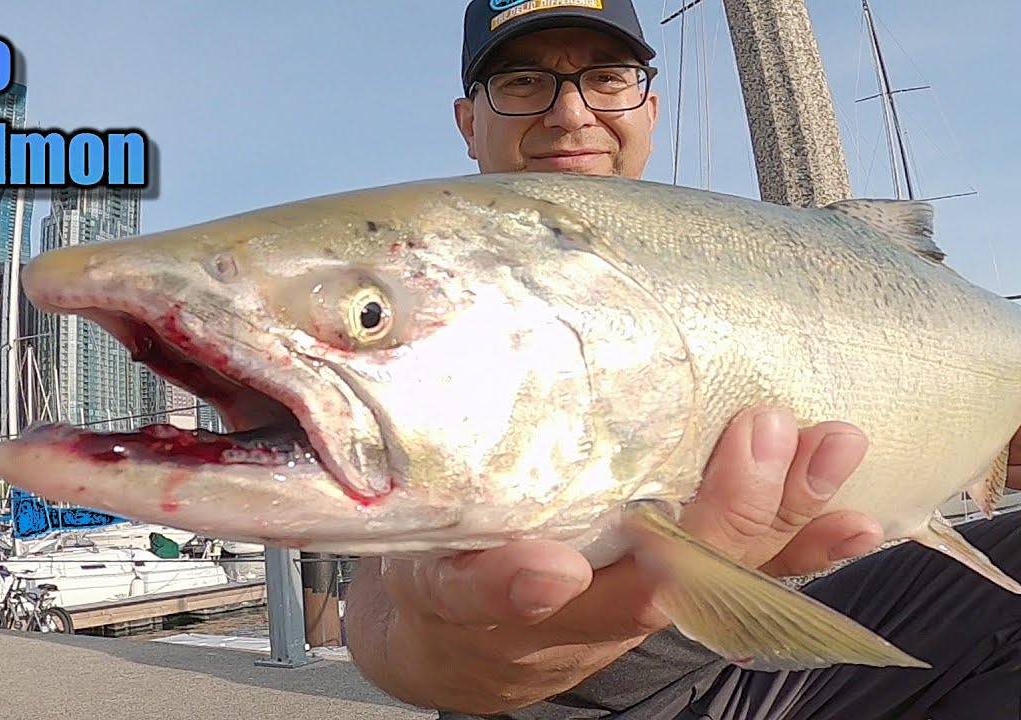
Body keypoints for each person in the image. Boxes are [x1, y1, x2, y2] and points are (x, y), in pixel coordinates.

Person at [342, 2, 1021, 718]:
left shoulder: (746, 258)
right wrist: (445, 655)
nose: (571, 114)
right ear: (468, 122)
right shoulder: (450, 283)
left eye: (606, 78)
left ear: (649, 107)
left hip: (791, 665)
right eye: (519, 83)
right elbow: (388, 584)